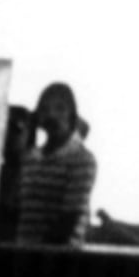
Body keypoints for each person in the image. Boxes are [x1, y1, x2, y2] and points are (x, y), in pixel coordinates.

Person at [9, 80, 99, 244]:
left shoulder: (82, 160)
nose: (51, 115)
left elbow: (68, 219)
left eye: (60, 108)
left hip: (61, 260)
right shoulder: (29, 159)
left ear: (71, 114)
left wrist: (41, 256)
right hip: (23, 254)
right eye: (45, 109)